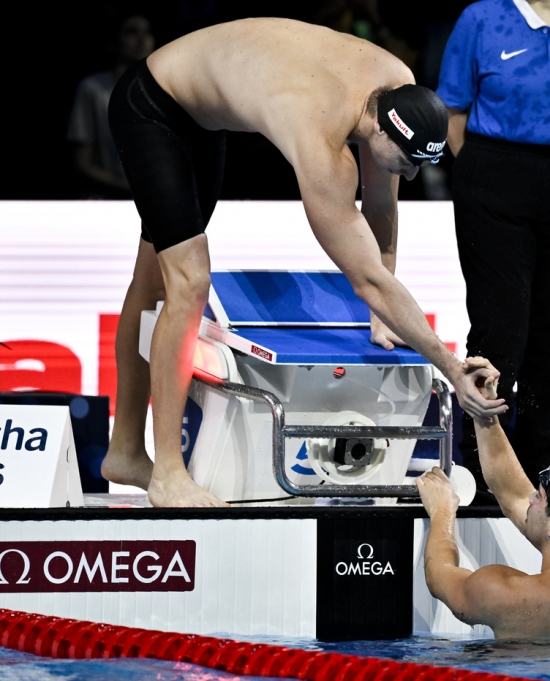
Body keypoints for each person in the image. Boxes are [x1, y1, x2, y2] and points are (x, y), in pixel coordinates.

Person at [102, 18, 506, 508]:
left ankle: (123, 452)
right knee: (187, 282)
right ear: (380, 127)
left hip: (204, 120)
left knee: (154, 280)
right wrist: (449, 365)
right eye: (406, 161)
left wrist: (384, 317)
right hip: (153, 105)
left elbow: (380, 209)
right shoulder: (319, 137)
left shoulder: (397, 88)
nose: (413, 174)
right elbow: (368, 280)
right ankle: (167, 470)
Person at [437, 0, 550, 501]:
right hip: (493, 175)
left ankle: (540, 466)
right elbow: (451, 111)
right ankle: (478, 470)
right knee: (500, 333)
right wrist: (482, 175)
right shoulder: (481, 18)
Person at [416, 358, 550, 638]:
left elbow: (439, 576)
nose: (531, 496)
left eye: (539, 497)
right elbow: (514, 492)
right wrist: (485, 411)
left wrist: (442, 511)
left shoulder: (510, 594)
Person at [67, 15, 154, 199]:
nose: (141, 39)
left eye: (146, 32)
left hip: (151, 208)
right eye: (131, 32)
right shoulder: (92, 89)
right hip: (102, 205)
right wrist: (130, 190)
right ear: (112, 44)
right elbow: (81, 164)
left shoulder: (159, 93)